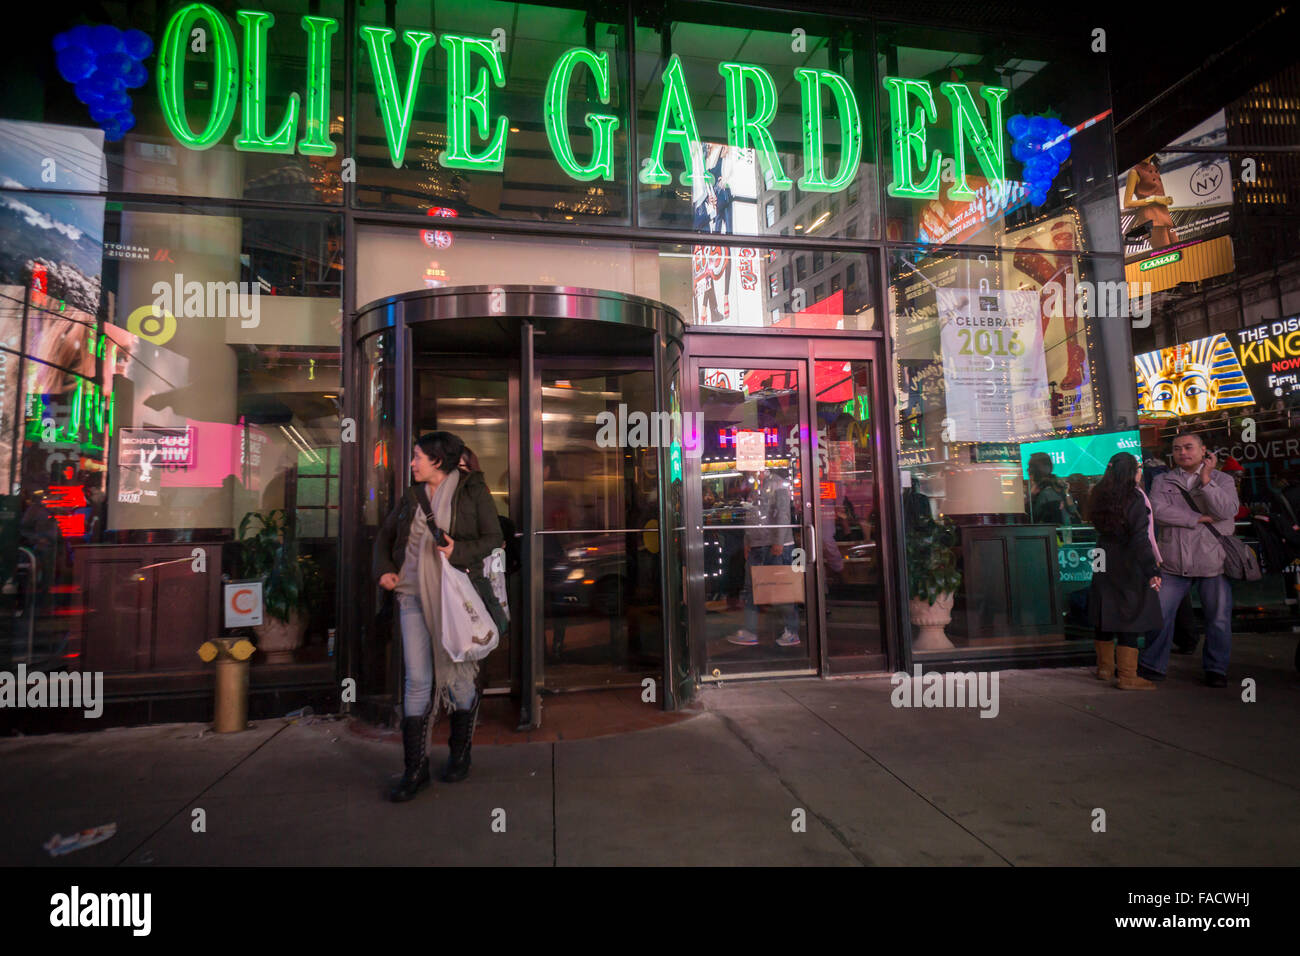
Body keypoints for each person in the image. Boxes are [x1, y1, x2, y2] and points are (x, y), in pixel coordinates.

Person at [373, 431, 503, 801]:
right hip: (411, 596)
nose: (412, 463)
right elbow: (385, 536)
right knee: (417, 681)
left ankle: (460, 754)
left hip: (453, 596)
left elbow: (492, 538)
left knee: (459, 681)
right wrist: (385, 569)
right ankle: (416, 770)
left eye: (417, 456)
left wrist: (457, 549)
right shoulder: (411, 496)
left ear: (438, 461)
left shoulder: (472, 489)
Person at [1139, 431, 1240, 687]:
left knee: (1218, 618)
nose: (1182, 452)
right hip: (1173, 560)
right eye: (1177, 448)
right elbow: (1157, 511)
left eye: (1188, 447)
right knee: (1160, 613)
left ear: (1204, 450)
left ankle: (1216, 669)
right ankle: (1152, 665)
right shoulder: (1163, 480)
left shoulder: (1223, 479)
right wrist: (1197, 517)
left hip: (1214, 560)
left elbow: (1227, 511)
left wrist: (1206, 481)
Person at [1087, 453, 1162, 690]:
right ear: (1132, 471)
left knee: (1105, 608)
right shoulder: (1134, 497)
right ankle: (1128, 676)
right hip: (1128, 559)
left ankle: (1104, 668)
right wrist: (1152, 568)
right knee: (1131, 613)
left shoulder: (1097, 494)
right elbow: (1140, 537)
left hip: (1103, 555)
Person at [727, 467, 799, 647]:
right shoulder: (753, 485)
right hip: (758, 545)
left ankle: (791, 631)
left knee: (782, 590)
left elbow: (783, 514)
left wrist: (779, 542)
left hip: (774, 545)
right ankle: (750, 631)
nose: (746, 470)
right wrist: (747, 541)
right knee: (752, 589)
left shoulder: (777, 483)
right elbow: (751, 515)